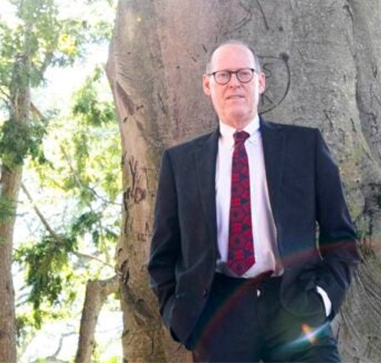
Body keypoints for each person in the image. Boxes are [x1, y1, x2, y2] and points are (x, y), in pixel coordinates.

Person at [148, 40, 361, 362]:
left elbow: (341, 236)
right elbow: (163, 255)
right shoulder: (179, 163)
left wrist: (324, 299)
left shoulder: (305, 146)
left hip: (296, 304)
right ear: (208, 85)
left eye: (244, 74)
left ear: (260, 82)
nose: (234, 82)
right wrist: (177, 315)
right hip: (217, 314)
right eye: (223, 75)